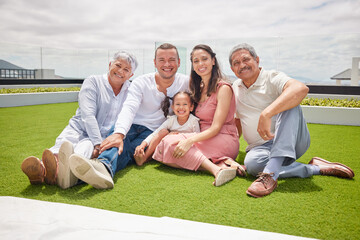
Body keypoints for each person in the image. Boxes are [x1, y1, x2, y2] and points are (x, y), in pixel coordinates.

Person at [229, 43, 355, 198]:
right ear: (232, 70)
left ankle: (269, 174)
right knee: (253, 166)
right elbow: (237, 122)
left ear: (257, 60)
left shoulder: (272, 77)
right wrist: (229, 154)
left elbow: (300, 88)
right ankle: (315, 168)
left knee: (290, 102)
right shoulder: (235, 87)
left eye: (246, 59)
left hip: (293, 142)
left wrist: (267, 113)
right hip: (260, 149)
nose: (242, 65)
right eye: (236, 63)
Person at [68, 43, 190, 189]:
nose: (167, 64)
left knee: (131, 150)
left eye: (171, 60)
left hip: (153, 133)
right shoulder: (141, 82)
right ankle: (102, 167)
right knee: (117, 142)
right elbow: (129, 108)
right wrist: (119, 133)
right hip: (131, 125)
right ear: (155, 62)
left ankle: (87, 173)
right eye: (161, 60)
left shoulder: (186, 82)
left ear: (179, 62)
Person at [21, 50, 138, 189]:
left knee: (81, 151)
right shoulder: (93, 81)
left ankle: (50, 172)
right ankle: (41, 169)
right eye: (118, 65)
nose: (120, 71)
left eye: (126, 69)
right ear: (110, 64)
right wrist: (98, 144)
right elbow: (88, 116)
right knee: (63, 148)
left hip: (99, 138)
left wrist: (97, 144)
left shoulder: (131, 91)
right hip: (79, 129)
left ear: (131, 75)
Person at [152, 44, 246, 187]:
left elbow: (215, 128)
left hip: (222, 137)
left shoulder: (223, 88)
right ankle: (223, 163)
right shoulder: (198, 88)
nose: (200, 64)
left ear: (213, 60)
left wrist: (188, 141)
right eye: (196, 61)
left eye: (204, 59)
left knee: (170, 146)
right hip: (203, 137)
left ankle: (216, 169)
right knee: (164, 148)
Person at [134, 91, 200, 166]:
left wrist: (177, 136)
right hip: (168, 147)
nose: (181, 107)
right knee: (163, 132)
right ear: (173, 107)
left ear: (191, 107)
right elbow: (155, 134)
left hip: (184, 148)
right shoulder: (171, 120)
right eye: (177, 104)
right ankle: (144, 157)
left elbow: (197, 139)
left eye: (185, 104)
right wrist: (143, 145)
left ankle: (152, 158)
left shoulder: (193, 121)